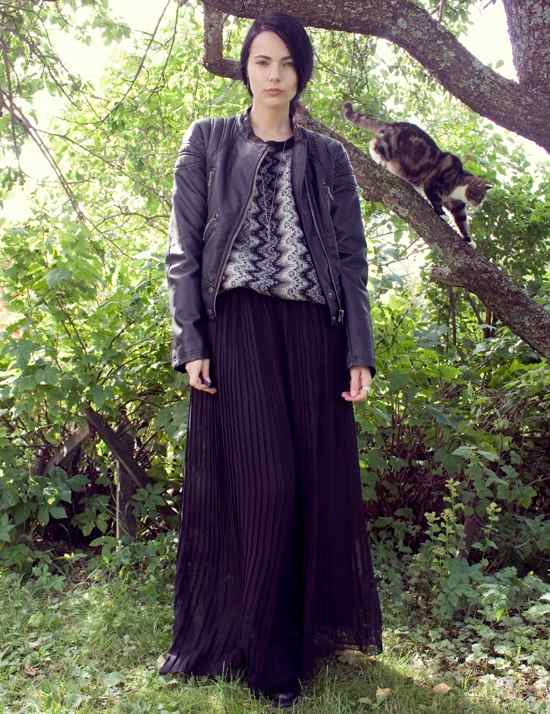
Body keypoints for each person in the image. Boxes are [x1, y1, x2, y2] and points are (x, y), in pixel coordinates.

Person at [158, 11, 383, 710]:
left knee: (310, 483)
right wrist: (192, 340)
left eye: (287, 62)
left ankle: (296, 637)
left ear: (301, 72)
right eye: (263, 61)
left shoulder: (328, 157)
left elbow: (350, 258)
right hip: (240, 327)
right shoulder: (209, 140)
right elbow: (184, 250)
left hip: (314, 331)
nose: (275, 75)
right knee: (266, 485)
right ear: (246, 68)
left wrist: (359, 350)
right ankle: (264, 653)